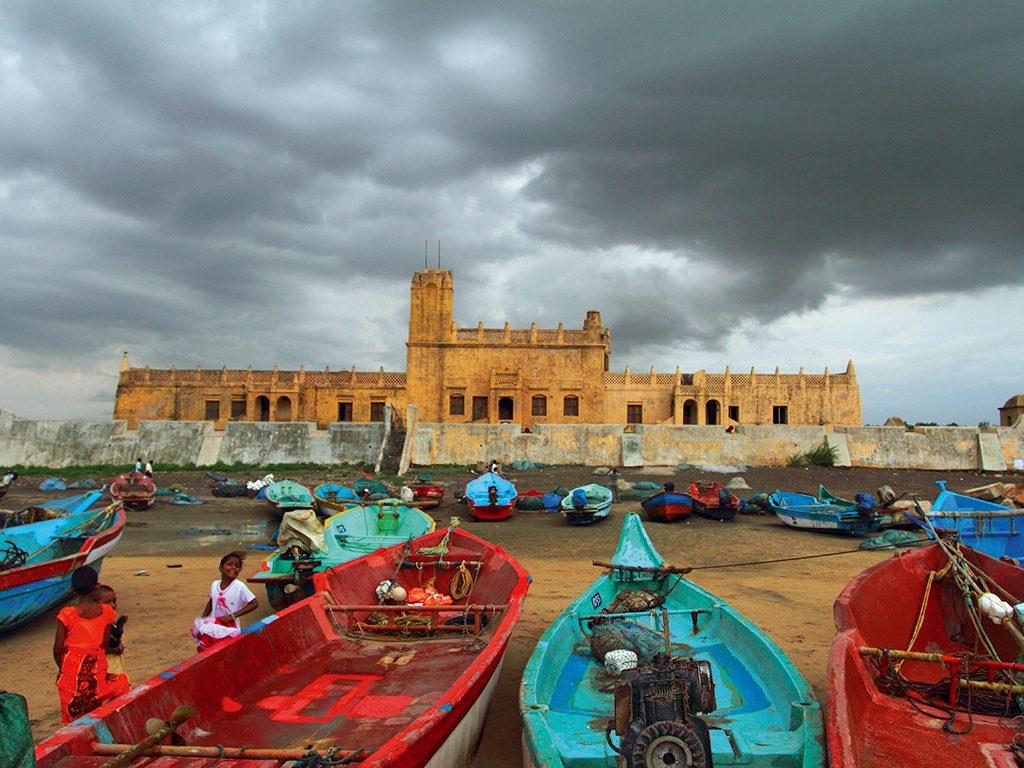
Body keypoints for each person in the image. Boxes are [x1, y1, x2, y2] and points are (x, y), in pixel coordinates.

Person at [53, 567, 130, 723]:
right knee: (122, 682)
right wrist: (115, 649)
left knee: (72, 710)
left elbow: (57, 649)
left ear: (72, 589)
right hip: (95, 667)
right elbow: (103, 645)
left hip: (70, 669)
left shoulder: (67, 614)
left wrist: (63, 669)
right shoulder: (107, 612)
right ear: (97, 587)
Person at [192, 551, 258, 652]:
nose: (233, 568)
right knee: (208, 651)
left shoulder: (239, 586)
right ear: (221, 568)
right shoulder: (214, 585)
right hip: (214, 626)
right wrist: (203, 618)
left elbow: (254, 603)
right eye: (229, 564)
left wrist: (232, 616)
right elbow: (211, 601)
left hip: (230, 629)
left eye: (237, 566)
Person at [97, 585, 131, 687]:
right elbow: (101, 647)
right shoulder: (99, 623)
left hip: (114, 663)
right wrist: (115, 650)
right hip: (106, 665)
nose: (112, 605)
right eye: (107, 602)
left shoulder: (109, 621)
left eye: (114, 601)